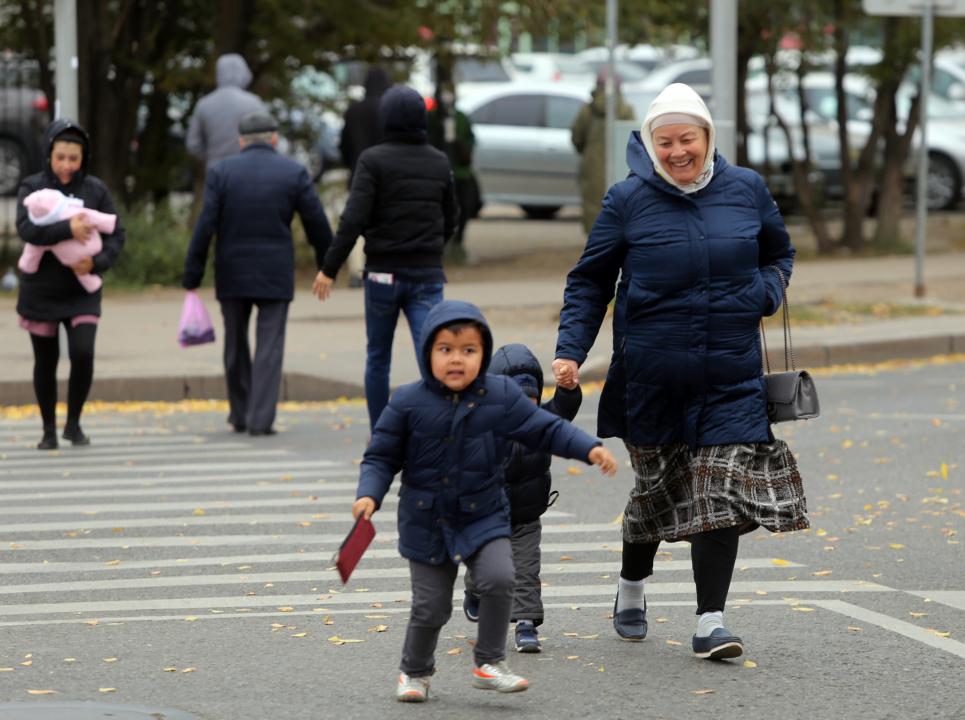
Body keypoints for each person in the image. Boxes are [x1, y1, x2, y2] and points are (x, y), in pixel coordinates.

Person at [553, 83, 809, 661]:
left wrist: (764, 293)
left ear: (707, 136)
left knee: (720, 496)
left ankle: (710, 621)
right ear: (650, 144)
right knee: (656, 494)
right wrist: (571, 350)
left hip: (730, 378)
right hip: (652, 378)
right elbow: (590, 281)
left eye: (686, 139)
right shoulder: (627, 200)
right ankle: (631, 586)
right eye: (664, 142)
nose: (677, 152)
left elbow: (779, 253)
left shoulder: (746, 189)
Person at [351, 300, 617, 703]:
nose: (457, 359)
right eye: (446, 349)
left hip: (484, 515)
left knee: (500, 578)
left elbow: (545, 427)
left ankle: (489, 662)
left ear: (483, 354)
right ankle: (415, 670)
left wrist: (587, 448)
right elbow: (381, 457)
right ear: (428, 353)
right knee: (431, 607)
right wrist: (369, 494)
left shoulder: (501, 396)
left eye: (469, 350)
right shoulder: (407, 402)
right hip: (428, 522)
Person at [313, 84, 458, 431]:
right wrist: (432, 247)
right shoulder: (439, 161)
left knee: (378, 357)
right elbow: (452, 216)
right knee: (433, 352)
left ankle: (381, 433)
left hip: (382, 275)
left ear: (386, 119)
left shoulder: (373, 160)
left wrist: (329, 268)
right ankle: (437, 430)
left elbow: (353, 218)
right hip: (426, 275)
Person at [182, 111, 333, 436]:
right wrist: (327, 264)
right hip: (275, 272)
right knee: (269, 347)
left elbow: (206, 224)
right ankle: (260, 419)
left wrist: (193, 272)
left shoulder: (221, 172)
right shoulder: (293, 172)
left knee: (235, 342)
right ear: (274, 139)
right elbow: (316, 222)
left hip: (232, 271)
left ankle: (240, 413)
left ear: (241, 141)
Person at [462, 342, 582, 653]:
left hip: (526, 517)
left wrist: (568, 389)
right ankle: (475, 590)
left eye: (531, 400)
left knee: (526, 570)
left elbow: (564, 409)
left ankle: (526, 623)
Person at [15, 119, 126, 450]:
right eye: (60, 157)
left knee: (83, 352)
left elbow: (117, 233)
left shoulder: (95, 190)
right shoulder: (32, 188)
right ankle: (48, 430)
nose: (66, 165)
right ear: (48, 155)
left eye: (73, 159)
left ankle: (73, 423)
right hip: (41, 291)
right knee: (45, 361)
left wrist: (97, 262)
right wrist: (68, 230)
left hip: (82, 290)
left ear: (83, 158)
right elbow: (26, 230)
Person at [570, 69, 636, 234]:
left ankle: (596, 242)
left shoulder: (587, 111)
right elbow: (633, 138)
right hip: (622, 165)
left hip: (593, 166)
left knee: (593, 206)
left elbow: (577, 137)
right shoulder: (626, 110)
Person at [186, 54, 267, 169]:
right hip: (247, 169)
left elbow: (193, 144)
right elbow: (267, 138)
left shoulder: (204, 104)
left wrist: (211, 156)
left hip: (215, 168)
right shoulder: (255, 103)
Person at [427, 80, 478, 262]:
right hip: (437, 173)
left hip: (460, 173)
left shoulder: (461, 118)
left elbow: (470, 145)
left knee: (464, 208)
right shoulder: (431, 118)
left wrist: (457, 141)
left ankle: (457, 242)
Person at [339, 66, 391, 186]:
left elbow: (344, 145)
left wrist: (350, 164)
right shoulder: (390, 109)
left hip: (359, 173)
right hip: (386, 176)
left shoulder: (353, 110)